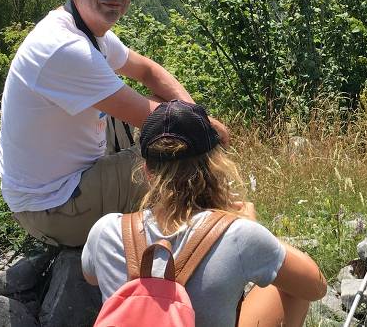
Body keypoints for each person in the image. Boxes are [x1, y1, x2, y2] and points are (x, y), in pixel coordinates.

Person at [0, 0, 222, 248]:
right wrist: (210, 130)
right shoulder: (65, 47)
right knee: (178, 156)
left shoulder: (87, 29)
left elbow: (147, 70)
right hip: (54, 207)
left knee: (178, 124)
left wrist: (195, 115)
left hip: (50, 189)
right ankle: (207, 247)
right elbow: (157, 119)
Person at [82, 100, 327, 327]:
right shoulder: (238, 235)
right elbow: (316, 287)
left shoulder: (106, 231)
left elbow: (91, 277)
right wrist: (252, 228)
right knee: (288, 284)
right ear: (214, 164)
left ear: (147, 172)